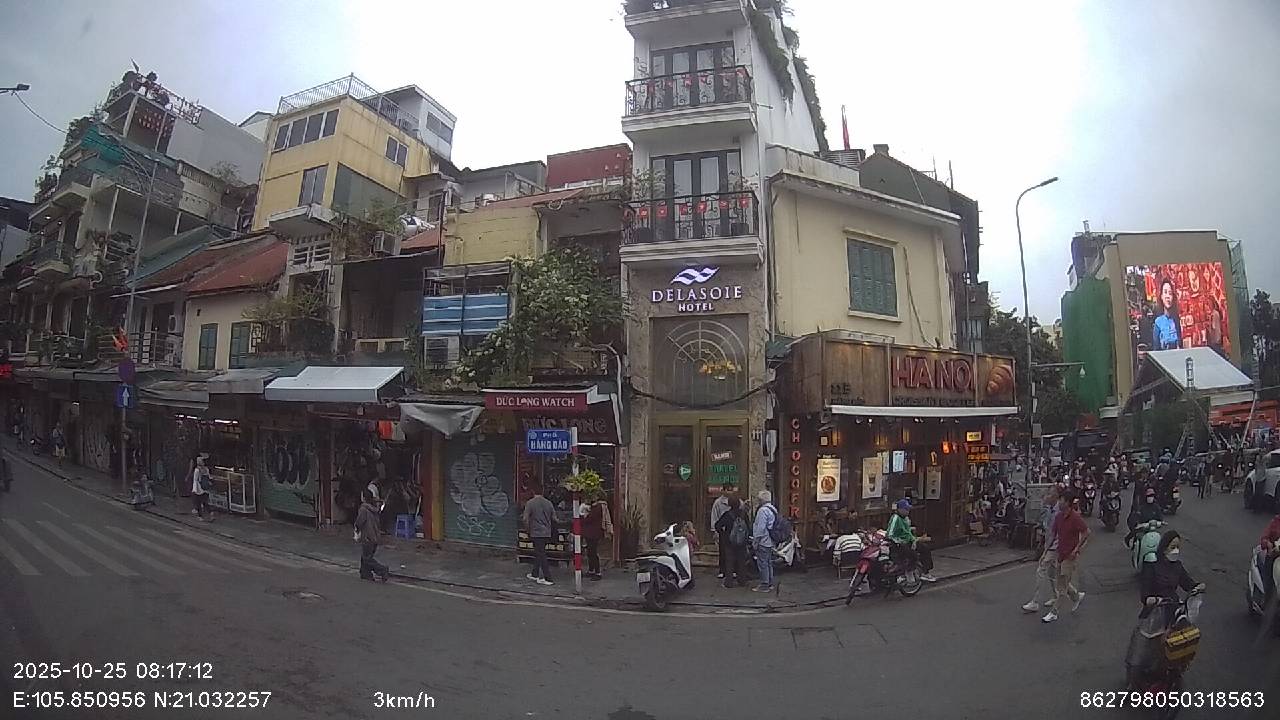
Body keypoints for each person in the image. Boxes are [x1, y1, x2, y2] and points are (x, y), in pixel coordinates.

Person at [1126, 530, 1203, 686]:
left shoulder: (1177, 566)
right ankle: (1132, 681)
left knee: (1176, 645)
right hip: (1154, 611)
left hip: (1173, 610)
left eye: (1178, 547)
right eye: (1172, 547)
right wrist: (1150, 599)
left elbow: (1188, 583)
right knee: (1142, 649)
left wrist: (1197, 587)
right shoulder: (1152, 566)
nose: (1176, 551)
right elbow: (1145, 592)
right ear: (1164, 548)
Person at [1043, 490, 1088, 623]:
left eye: (1061, 500)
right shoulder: (1059, 517)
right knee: (1062, 583)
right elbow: (1053, 535)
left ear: (1067, 503)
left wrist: (1077, 549)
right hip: (1060, 554)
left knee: (1061, 587)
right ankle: (1076, 596)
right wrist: (1045, 550)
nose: (1059, 502)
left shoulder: (1075, 517)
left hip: (1070, 556)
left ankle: (1054, 612)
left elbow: (1086, 532)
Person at [1023, 487, 1061, 613]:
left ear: (1055, 497)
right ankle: (1063, 595)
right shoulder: (1049, 509)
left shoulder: (1058, 512)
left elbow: (1056, 532)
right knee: (1052, 573)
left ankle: (1035, 601)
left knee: (1041, 570)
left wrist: (1048, 549)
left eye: (1049, 494)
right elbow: (1046, 526)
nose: (1046, 496)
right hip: (1049, 544)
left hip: (1054, 546)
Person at [887, 498, 937, 583]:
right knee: (913, 555)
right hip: (900, 544)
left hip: (910, 541)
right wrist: (900, 541)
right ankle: (908, 572)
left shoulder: (906, 518)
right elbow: (890, 534)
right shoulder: (895, 518)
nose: (908, 511)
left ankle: (925, 572)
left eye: (908, 509)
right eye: (906, 509)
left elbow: (907, 532)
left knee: (925, 548)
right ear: (900, 509)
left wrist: (915, 539)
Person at [523, 483, 556, 586]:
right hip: (547, 532)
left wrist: (527, 529)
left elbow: (525, 518)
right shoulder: (549, 503)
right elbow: (554, 518)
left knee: (541, 554)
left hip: (536, 532)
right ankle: (535, 573)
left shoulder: (530, 503)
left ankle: (548, 578)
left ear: (533, 491)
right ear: (543, 491)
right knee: (539, 552)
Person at [713, 495, 749, 587]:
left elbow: (717, 525)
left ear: (729, 504)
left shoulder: (727, 515)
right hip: (742, 542)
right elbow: (748, 527)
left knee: (729, 562)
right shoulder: (744, 514)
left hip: (729, 542)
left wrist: (723, 534)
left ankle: (729, 582)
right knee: (741, 561)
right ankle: (742, 581)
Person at [355, 489, 389, 582]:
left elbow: (359, 522)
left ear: (363, 498)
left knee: (367, 558)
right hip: (375, 535)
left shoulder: (363, 509)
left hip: (367, 536)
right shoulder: (374, 508)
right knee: (366, 555)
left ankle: (382, 570)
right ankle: (365, 573)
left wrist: (357, 529)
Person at [581, 492, 612, 581]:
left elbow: (590, 518)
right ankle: (591, 570)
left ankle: (597, 572)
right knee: (590, 552)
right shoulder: (593, 507)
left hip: (594, 533)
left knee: (593, 552)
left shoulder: (598, 507)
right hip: (590, 532)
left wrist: (584, 516)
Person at [751, 490, 778, 592]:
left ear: (762, 500)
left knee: (762, 563)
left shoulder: (762, 511)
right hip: (770, 540)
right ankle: (770, 582)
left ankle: (764, 584)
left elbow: (760, 528)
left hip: (763, 541)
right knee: (768, 562)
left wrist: (756, 541)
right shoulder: (773, 509)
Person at [1151, 278, 1181, 350]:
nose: (1168, 296)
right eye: (1165, 292)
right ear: (1161, 296)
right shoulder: (1158, 322)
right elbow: (1156, 348)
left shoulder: (1177, 320)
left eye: (1170, 293)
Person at [710, 488, 732, 580]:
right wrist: (714, 530)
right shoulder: (718, 502)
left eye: (730, 490)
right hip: (722, 530)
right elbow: (714, 517)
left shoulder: (737, 501)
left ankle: (732, 570)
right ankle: (722, 570)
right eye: (727, 490)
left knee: (732, 552)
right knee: (722, 551)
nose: (729, 492)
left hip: (734, 531)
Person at [1258, 512, 1280, 599]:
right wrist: (1268, 543)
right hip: (1274, 555)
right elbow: (1264, 537)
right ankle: (1266, 597)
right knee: (1269, 580)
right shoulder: (1276, 522)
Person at [190, 454, 212, 521]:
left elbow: (195, 480)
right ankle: (210, 513)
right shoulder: (206, 469)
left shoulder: (197, 470)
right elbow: (209, 477)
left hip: (198, 489)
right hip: (205, 488)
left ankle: (200, 516)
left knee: (198, 503)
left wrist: (194, 490)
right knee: (205, 502)